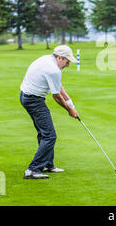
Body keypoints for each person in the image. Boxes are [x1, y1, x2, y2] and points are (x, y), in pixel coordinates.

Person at [20, 45, 79, 179]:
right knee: (49, 136)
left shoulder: (47, 59)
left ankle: (47, 164)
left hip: (27, 96)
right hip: (33, 100)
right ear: (59, 57)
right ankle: (32, 170)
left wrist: (69, 100)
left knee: (44, 133)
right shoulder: (53, 70)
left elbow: (57, 85)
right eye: (67, 61)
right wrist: (70, 110)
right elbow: (56, 96)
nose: (68, 65)